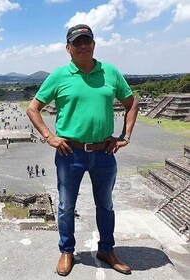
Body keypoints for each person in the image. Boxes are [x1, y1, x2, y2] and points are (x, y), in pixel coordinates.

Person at [26, 24, 137, 276]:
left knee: (106, 205)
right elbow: (33, 108)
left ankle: (106, 249)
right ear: (68, 48)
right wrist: (49, 137)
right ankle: (67, 250)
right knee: (66, 205)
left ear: (94, 44)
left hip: (104, 151)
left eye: (87, 40)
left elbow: (131, 103)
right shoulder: (58, 75)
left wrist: (125, 136)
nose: (83, 45)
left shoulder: (110, 72)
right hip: (70, 152)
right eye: (77, 42)